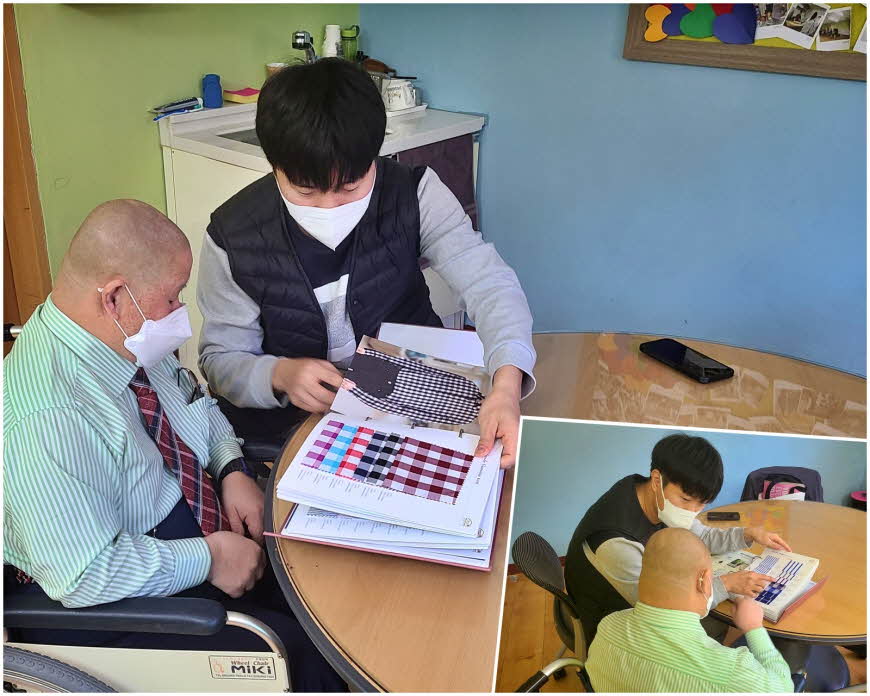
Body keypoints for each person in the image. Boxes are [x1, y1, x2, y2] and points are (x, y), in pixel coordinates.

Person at [3, 200, 345, 692]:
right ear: (115, 297)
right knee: (306, 656)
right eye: (173, 297)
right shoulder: (47, 418)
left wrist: (232, 469)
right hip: (123, 600)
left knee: (330, 590)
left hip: (201, 528)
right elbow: (84, 575)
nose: (180, 314)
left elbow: (197, 407)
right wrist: (209, 558)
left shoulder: (125, 339)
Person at [197, 58, 536, 468]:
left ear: (375, 158)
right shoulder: (232, 235)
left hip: (409, 391)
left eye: (349, 187)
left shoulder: (415, 193)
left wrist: (507, 384)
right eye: (305, 191)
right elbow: (221, 360)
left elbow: (490, 285)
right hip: (294, 424)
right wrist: (279, 375)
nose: (328, 207)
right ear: (274, 167)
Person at [564, 433, 790, 643]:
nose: (692, 511)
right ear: (656, 480)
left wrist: (746, 534)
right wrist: (727, 584)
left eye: (702, 504)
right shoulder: (615, 543)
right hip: (612, 629)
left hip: (642, 600)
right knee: (721, 626)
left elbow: (702, 536)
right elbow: (662, 608)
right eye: (686, 500)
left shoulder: (653, 498)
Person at [584, 528, 793, 692]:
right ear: (703, 581)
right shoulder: (732, 671)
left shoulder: (607, 627)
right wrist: (754, 628)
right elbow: (783, 688)